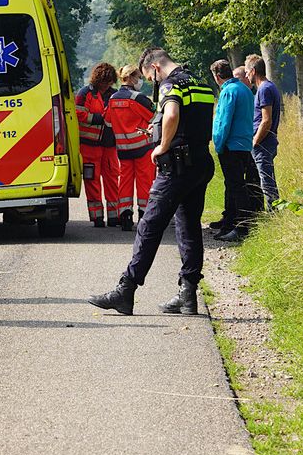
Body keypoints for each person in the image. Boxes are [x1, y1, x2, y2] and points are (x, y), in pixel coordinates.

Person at [89, 48, 215, 316]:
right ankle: (188, 294)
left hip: (177, 166)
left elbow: (171, 115)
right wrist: (159, 131)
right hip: (201, 163)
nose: (152, 82)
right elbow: (194, 121)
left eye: (150, 77)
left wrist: (162, 145)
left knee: (149, 226)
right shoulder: (200, 84)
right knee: (188, 226)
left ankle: (126, 290)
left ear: (156, 68)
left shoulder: (172, 84)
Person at [209, 59, 261, 242]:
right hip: (245, 144)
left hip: (231, 145)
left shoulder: (228, 92)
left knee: (236, 187)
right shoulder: (245, 90)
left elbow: (223, 121)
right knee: (235, 185)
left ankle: (242, 227)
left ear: (216, 76)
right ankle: (230, 223)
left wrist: (218, 144)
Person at [105, 64, 156, 231]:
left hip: (123, 149)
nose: (140, 80)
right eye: (138, 77)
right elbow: (153, 117)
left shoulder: (112, 99)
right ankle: (144, 216)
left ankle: (125, 216)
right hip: (142, 148)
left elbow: (107, 121)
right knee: (144, 182)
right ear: (131, 77)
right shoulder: (138, 98)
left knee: (125, 182)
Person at [75, 63, 123, 227]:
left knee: (112, 179)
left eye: (109, 82)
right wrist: (98, 118)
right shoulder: (85, 93)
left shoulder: (115, 95)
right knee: (92, 181)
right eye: (104, 81)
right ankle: (96, 217)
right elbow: (78, 113)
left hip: (109, 145)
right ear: (97, 79)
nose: (106, 85)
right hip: (89, 146)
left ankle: (114, 216)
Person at [244, 54, 282, 207]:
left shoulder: (264, 89)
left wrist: (254, 142)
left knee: (267, 182)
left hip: (263, 143)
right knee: (264, 180)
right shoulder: (268, 87)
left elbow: (266, 120)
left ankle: (274, 214)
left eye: (247, 72)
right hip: (265, 142)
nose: (246, 75)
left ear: (253, 71)